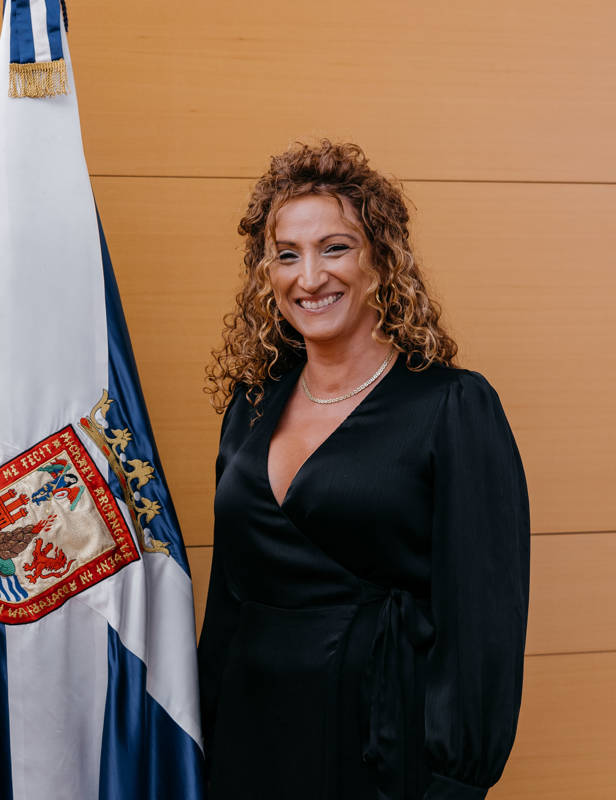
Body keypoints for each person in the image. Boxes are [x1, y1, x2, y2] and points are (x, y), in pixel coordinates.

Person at [198, 140, 530, 800]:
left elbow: (482, 618)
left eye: (335, 248)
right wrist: (196, 739)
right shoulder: (250, 405)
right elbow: (227, 600)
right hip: (246, 738)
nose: (309, 277)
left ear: (380, 258)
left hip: (381, 743)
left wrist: (456, 781)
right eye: (287, 254)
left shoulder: (452, 406)